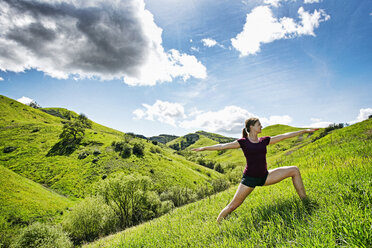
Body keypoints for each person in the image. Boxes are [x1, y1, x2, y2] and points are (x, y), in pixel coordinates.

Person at [191, 117, 318, 224]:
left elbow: (283, 136)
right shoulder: (243, 142)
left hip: (265, 176)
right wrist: (203, 148)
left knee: (294, 170)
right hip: (249, 180)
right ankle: (217, 223)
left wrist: (304, 131)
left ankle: (306, 202)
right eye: (259, 124)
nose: (261, 126)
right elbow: (222, 146)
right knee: (232, 206)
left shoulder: (264, 141)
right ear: (251, 127)